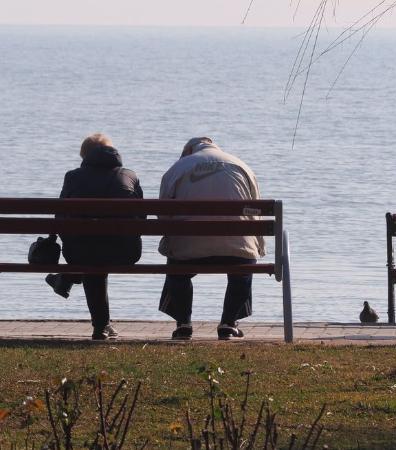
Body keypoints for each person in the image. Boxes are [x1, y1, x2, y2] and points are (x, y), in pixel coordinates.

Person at [157, 137, 265, 340]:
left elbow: (163, 216)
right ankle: (228, 323)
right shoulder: (241, 165)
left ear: (188, 151)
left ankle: (183, 324)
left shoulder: (178, 168)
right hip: (237, 252)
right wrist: (257, 246)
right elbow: (256, 211)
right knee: (244, 263)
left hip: (188, 250)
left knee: (176, 268)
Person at [45, 133, 143, 340]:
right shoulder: (129, 175)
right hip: (125, 252)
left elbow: (60, 217)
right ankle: (100, 324)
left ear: (85, 156)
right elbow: (141, 217)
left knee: (90, 255)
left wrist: (72, 241)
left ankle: (99, 324)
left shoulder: (72, 177)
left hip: (80, 252)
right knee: (98, 252)